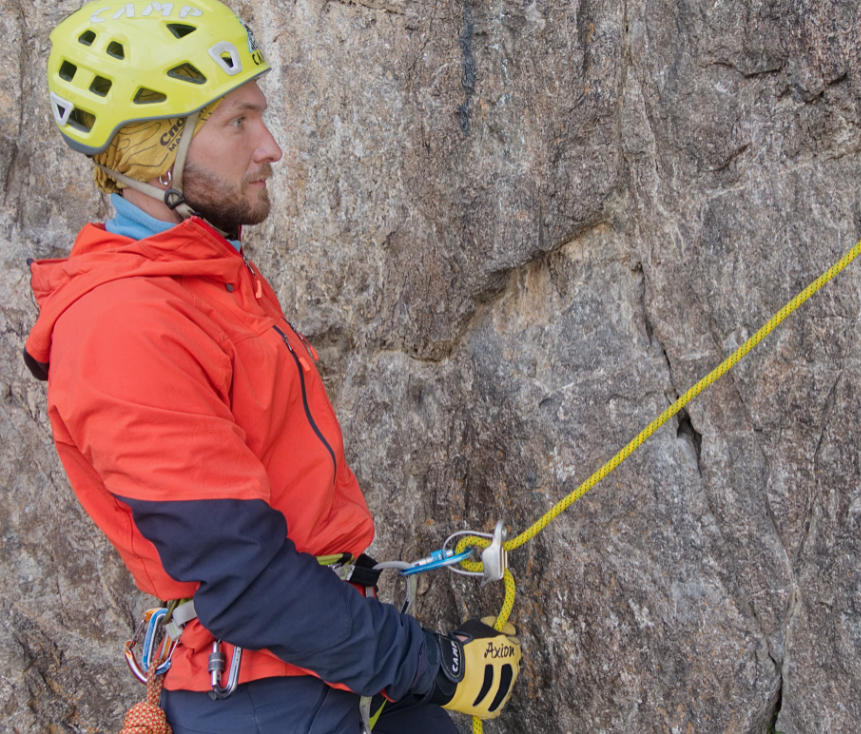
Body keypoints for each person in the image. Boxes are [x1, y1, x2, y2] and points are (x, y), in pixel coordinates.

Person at [24, 2, 521, 732]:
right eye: (237, 122)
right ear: (159, 153)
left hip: (321, 657)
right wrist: (434, 667)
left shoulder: (205, 279)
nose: (271, 146)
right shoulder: (124, 327)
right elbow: (244, 578)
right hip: (266, 696)